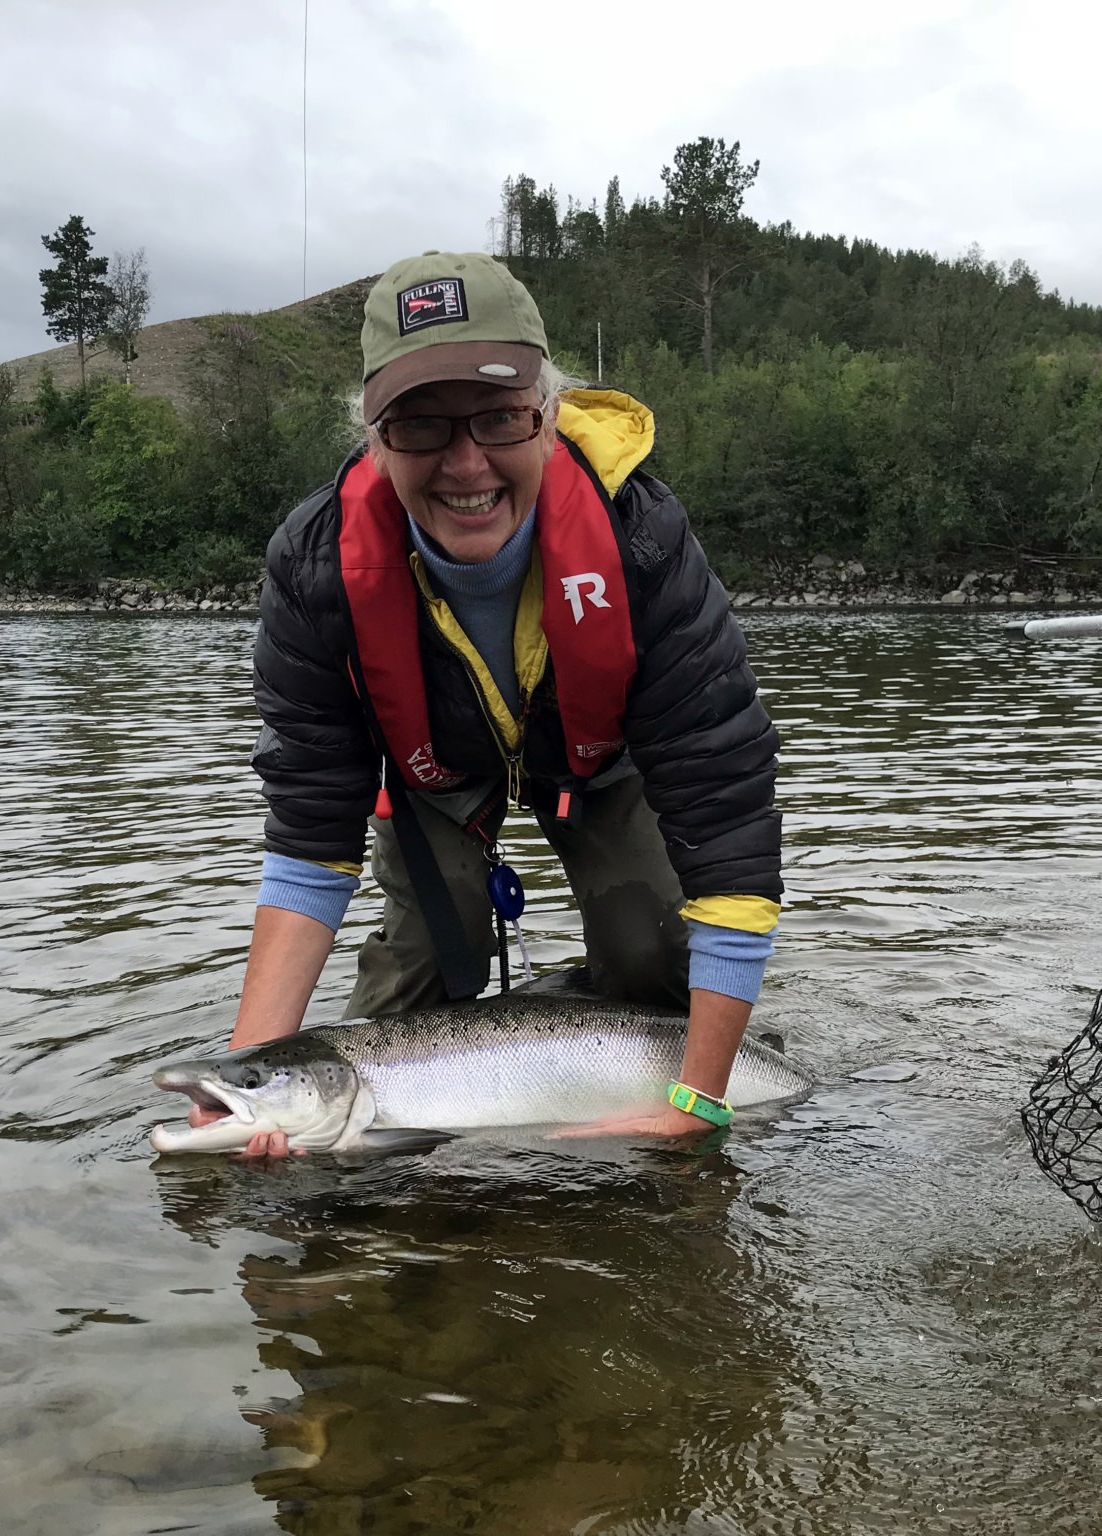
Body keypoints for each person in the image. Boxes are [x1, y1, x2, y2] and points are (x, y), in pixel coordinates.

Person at [192, 251, 781, 1156]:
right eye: (420, 426)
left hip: (604, 756)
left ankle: (606, 1042)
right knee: (422, 976)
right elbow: (310, 841)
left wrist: (697, 1103)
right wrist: (249, 1075)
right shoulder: (316, 568)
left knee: (657, 952)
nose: (465, 464)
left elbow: (728, 828)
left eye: (500, 417)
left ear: (549, 416)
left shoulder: (643, 544)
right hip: (431, 772)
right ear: (373, 435)